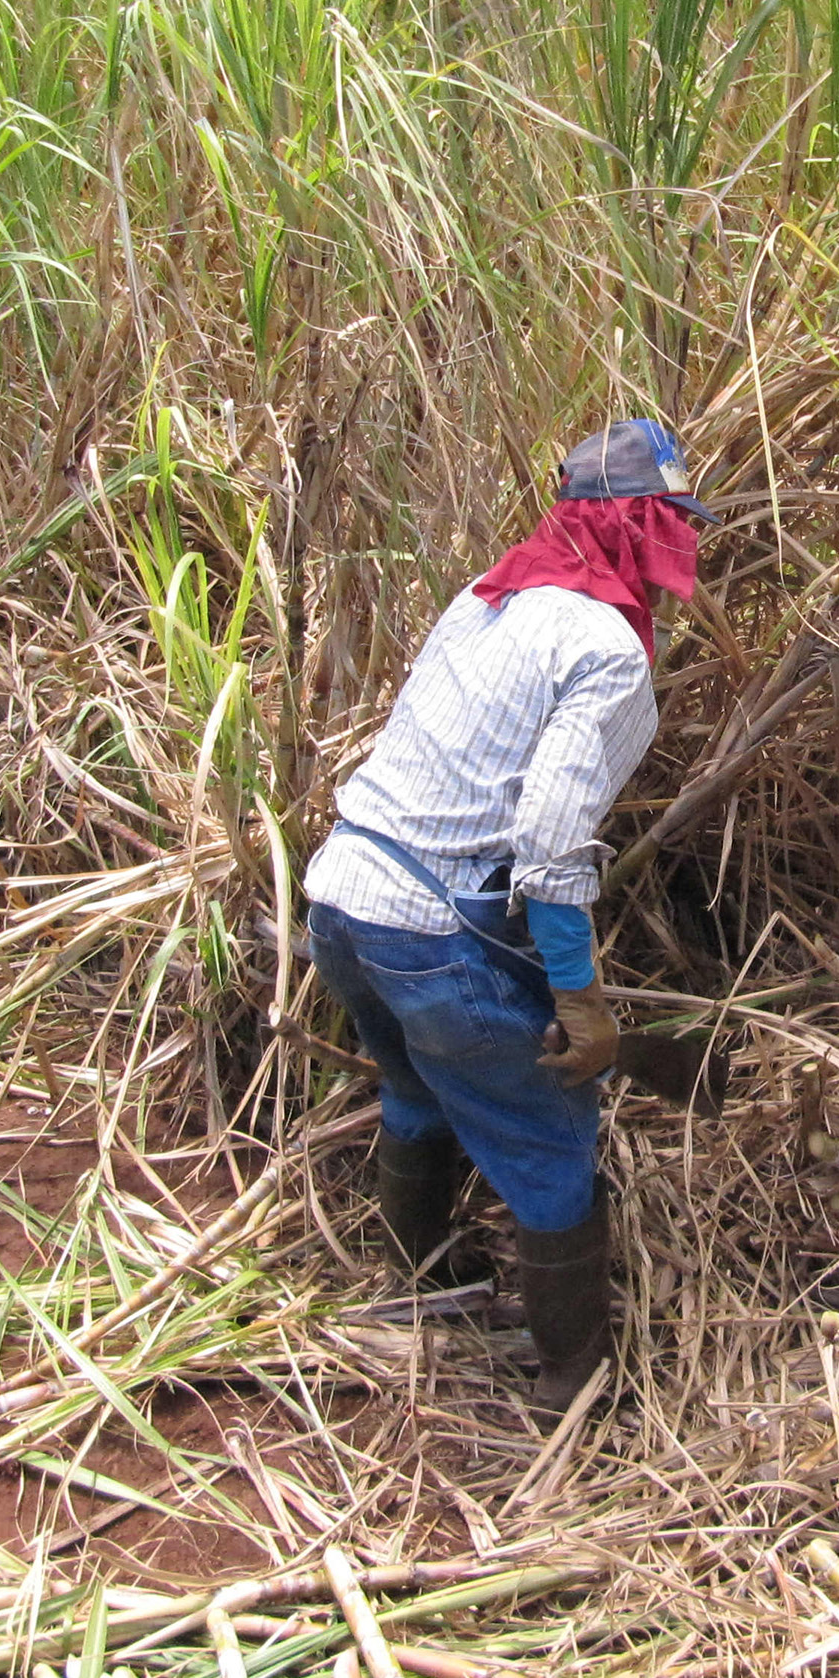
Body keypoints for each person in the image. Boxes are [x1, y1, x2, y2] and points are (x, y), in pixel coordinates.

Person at [301, 419, 712, 1418]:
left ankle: (417, 1295)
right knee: (550, 1141)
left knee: (419, 1085)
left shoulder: (488, 599)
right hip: (430, 933)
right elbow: (552, 843)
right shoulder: (609, 651)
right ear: (648, 533)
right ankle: (576, 1390)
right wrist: (579, 1001)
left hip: (342, 898)